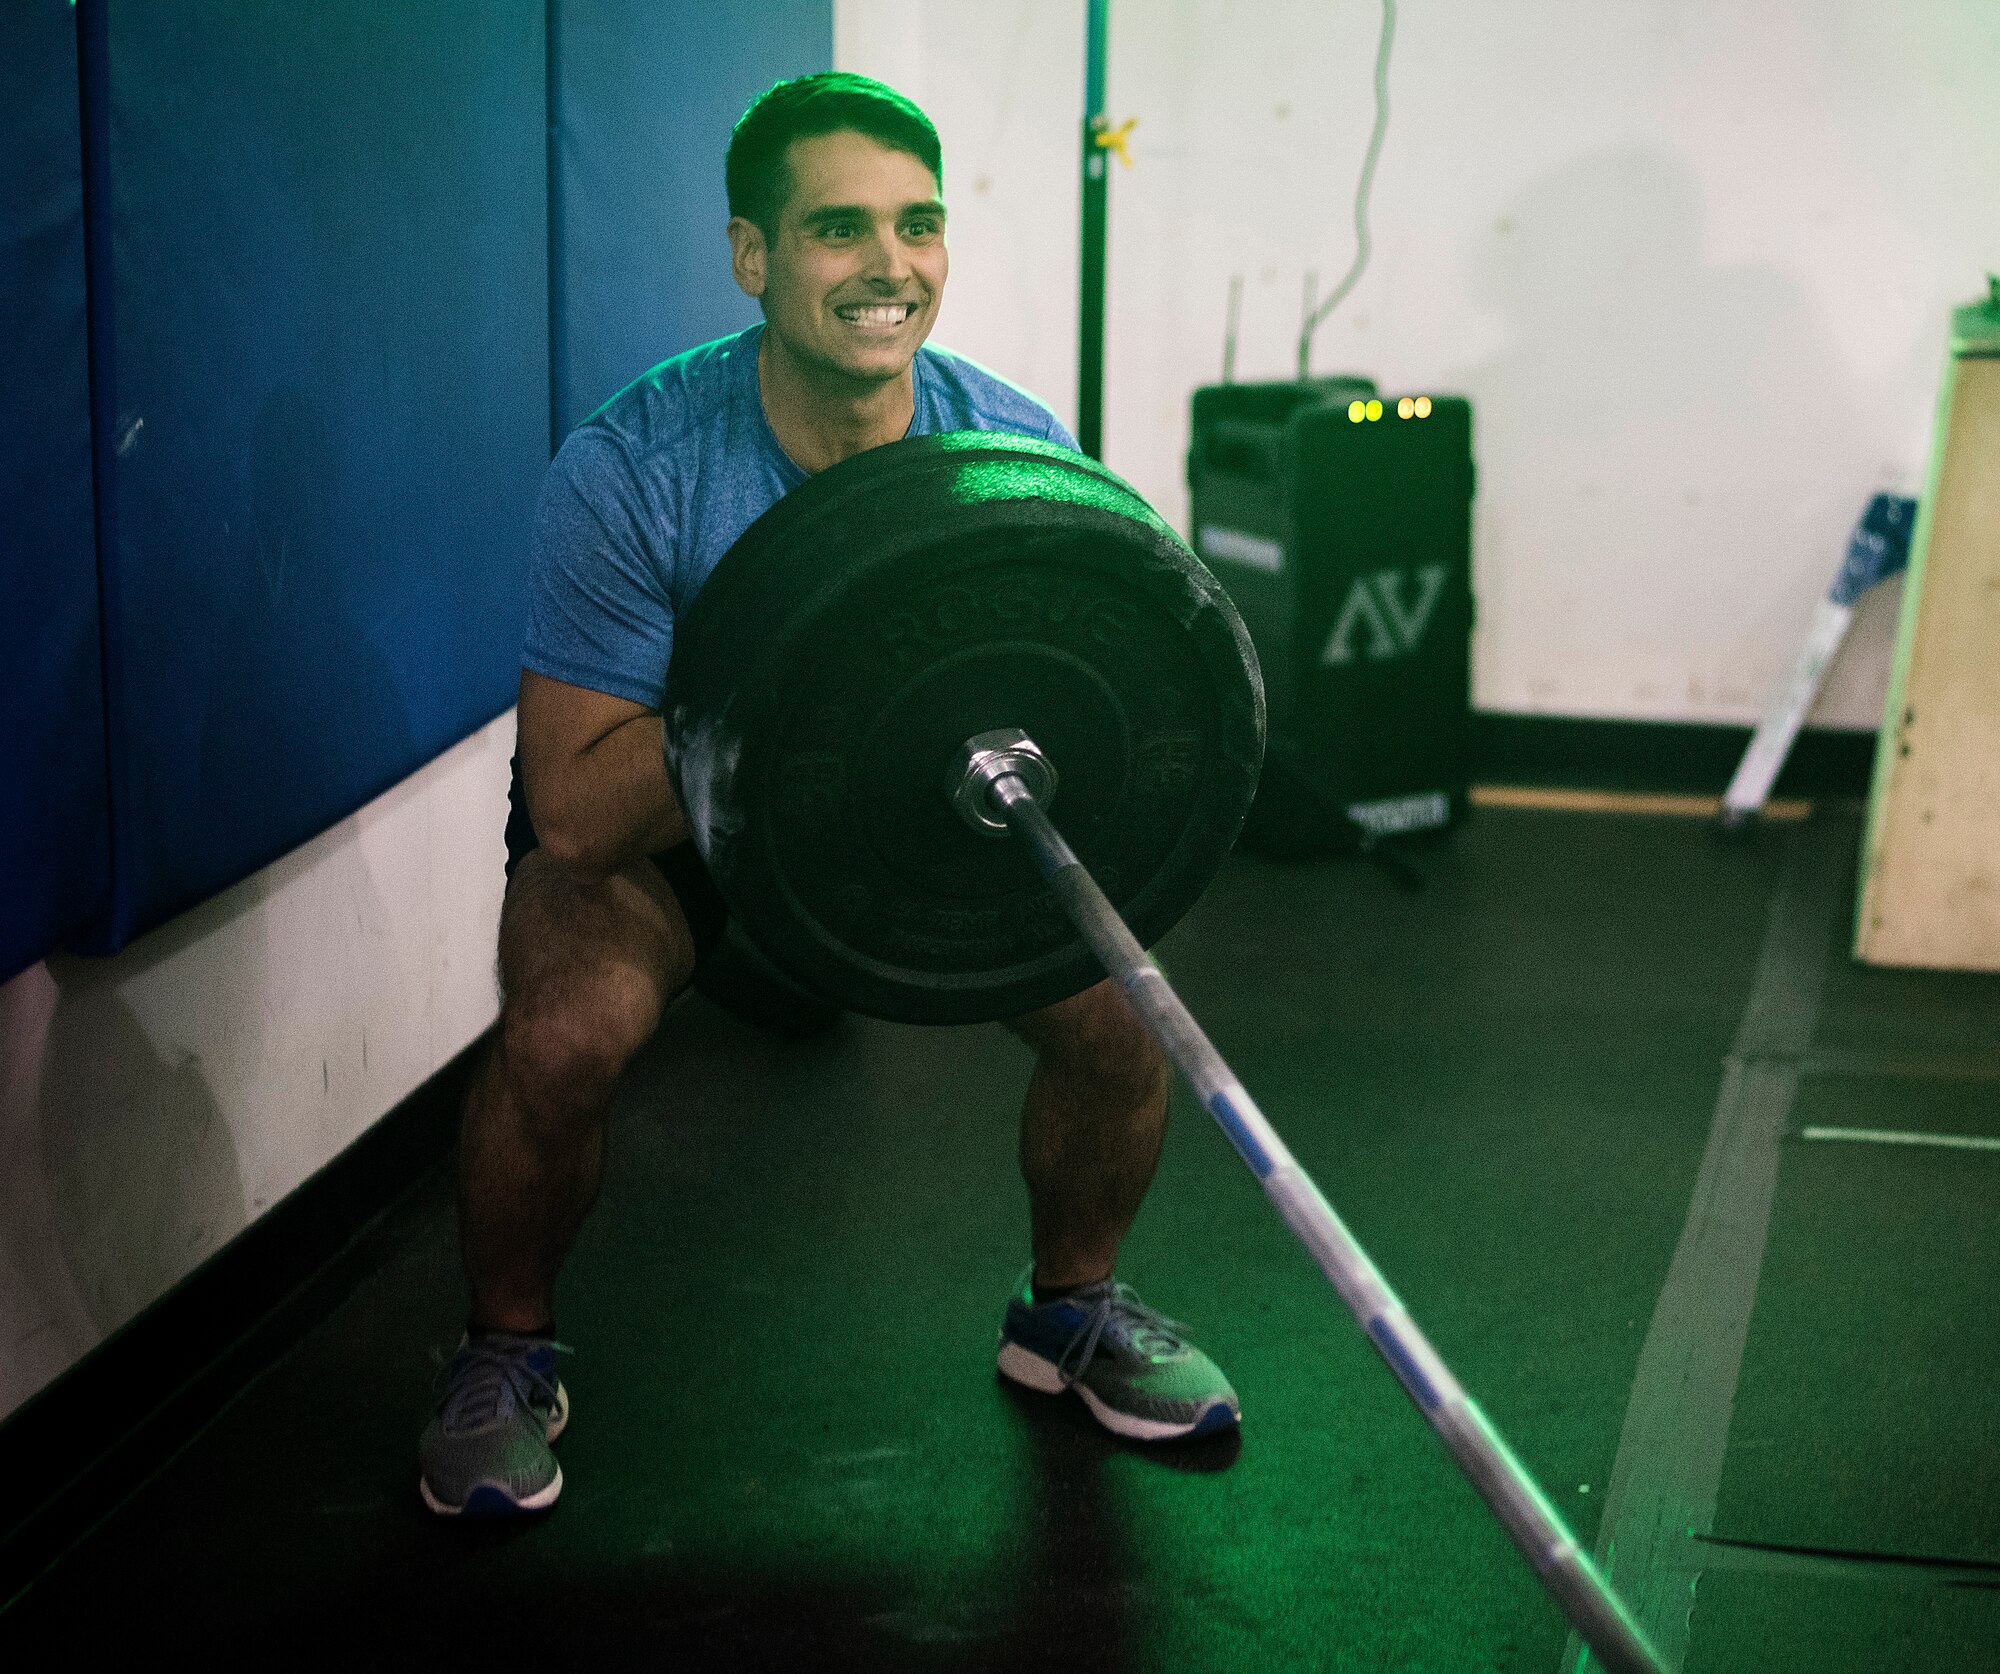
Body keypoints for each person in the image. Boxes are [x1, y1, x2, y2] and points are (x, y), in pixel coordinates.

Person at [418, 72, 1239, 1518]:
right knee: (560, 1036)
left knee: (1126, 1015)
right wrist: (803, 672)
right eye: (839, 228)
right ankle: (504, 1352)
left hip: (907, 815)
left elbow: (1098, 683)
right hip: (683, 827)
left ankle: (1069, 1311)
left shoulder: (1008, 451)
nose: (890, 265)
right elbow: (579, 813)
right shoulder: (635, 468)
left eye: (919, 224)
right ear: (754, 255)